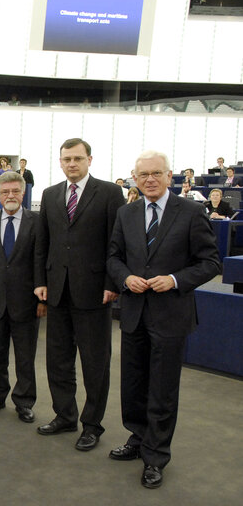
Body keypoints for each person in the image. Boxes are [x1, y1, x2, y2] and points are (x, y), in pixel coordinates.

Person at [106, 150, 220, 489]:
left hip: (171, 315)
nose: (150, 180)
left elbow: (211, 262)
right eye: (143, 175)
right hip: (134, 314)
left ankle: (155, 457)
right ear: (134, 179)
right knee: (134, 384)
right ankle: (138, 438)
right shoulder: (126, 213)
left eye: (157, 173)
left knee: (163, 390)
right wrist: (125, 278)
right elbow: (113, 257)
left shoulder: (191, 212)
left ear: (170, 177)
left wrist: (174, 280)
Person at [36, 138, 124, 451]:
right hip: (57, 291)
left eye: (77, 158)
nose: (71, 164)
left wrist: (113, 284)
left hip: (95, 294)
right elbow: (42, 243)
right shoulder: (50, 194)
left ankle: (92, 425)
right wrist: (39, 282)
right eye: (66, 159)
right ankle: (65, 415)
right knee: (58, 360)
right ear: (60, 162)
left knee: (94, 364)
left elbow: (118, 244)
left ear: (89, 159)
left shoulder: (111, 193)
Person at [0, 171, 46, 423]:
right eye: (5, 192)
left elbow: (41, 262)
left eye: (15, 191)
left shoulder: (37, 222)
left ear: (23, 194)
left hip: (26, 302)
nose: (11, 195)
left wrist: (42, 299)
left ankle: (24, 401)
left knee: (25, 356)